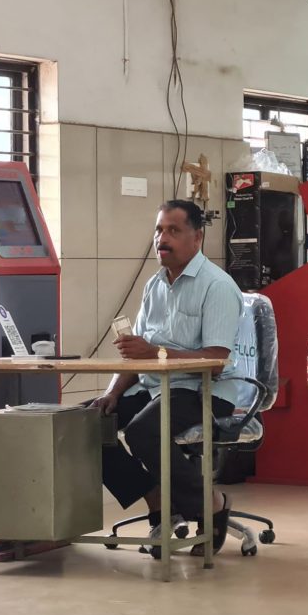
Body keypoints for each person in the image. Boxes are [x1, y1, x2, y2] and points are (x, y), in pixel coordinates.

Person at [90, 200, 243, 554]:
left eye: (174, 230)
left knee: (144, 430)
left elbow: (216, 361)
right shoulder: (154, 286)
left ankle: (212, 505)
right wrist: (113, 392)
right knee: (86, 423)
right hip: (155, 385)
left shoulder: (217, 286)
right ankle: (158, 502)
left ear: (197, 237)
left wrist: (154, 353)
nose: (162, 239)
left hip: (204, 389)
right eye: (159, 230)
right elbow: (138, 353)